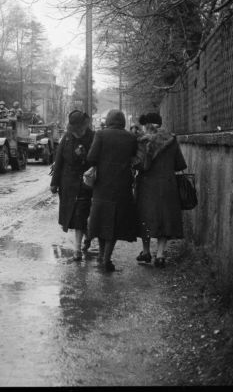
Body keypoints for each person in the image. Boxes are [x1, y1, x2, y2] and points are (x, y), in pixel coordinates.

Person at [86, 109, 138, 272]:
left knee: (102, 221)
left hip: (102, 185)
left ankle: (102, 256)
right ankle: (106, 258)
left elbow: (91, 158)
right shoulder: (130, 137)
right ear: (122, 121)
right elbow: (134, 157)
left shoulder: (101, 135)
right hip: (122, 186)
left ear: (108, 120)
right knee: (114, 224)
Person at [134, 112, 187, 268]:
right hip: (167, 185)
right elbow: (180, 164)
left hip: (146, 185)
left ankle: (146, 252)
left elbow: (138, 164)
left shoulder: (142, 141)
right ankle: (160, 255)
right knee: (165, 219)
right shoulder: (171, 140)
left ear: (147, 125)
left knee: (146, 218)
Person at [50, 110, 95, 261]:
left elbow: (96, 162)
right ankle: (83, 240)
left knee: (81, 215)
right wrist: (54, 183)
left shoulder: (92, 137)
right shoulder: (67, 138)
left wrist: (84, 156)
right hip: (68, 183)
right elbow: (59, 161)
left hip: (85, 182)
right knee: (74, 215)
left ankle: (77, 249)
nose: (78, 131)